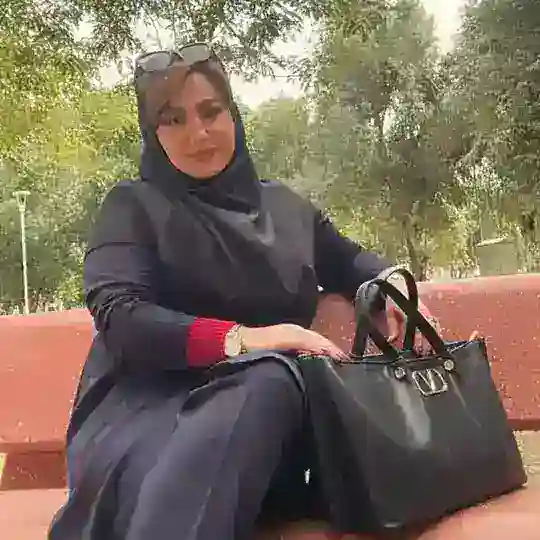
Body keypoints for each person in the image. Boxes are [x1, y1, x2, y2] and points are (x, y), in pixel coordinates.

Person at [48, 43, 438, 540]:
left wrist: (391, 282)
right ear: (153, 132)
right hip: (145, 418)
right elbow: (122, 318)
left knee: (272, 381)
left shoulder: (284, 208)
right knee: (271, 376)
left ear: (233, 114)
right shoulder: (131, 206)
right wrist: (245, 339)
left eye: (211, 111)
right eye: (173, 119)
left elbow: (349, 260)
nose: (198, 133)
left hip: (261, 427)